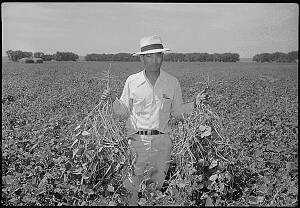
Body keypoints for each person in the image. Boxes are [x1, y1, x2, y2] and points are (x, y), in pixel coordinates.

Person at [100, 35, 207, 205]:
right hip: (137, 142)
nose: (155, 60)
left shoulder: (172, 82)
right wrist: (112, 100)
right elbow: (124, 113)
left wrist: (195, 103)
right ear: (142, 58)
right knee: (132, 188)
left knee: (155, 188)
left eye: (158, 55)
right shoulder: (132, 81)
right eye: (149, 56)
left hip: (162, 142)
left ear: (163, 57)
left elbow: (178, 112)